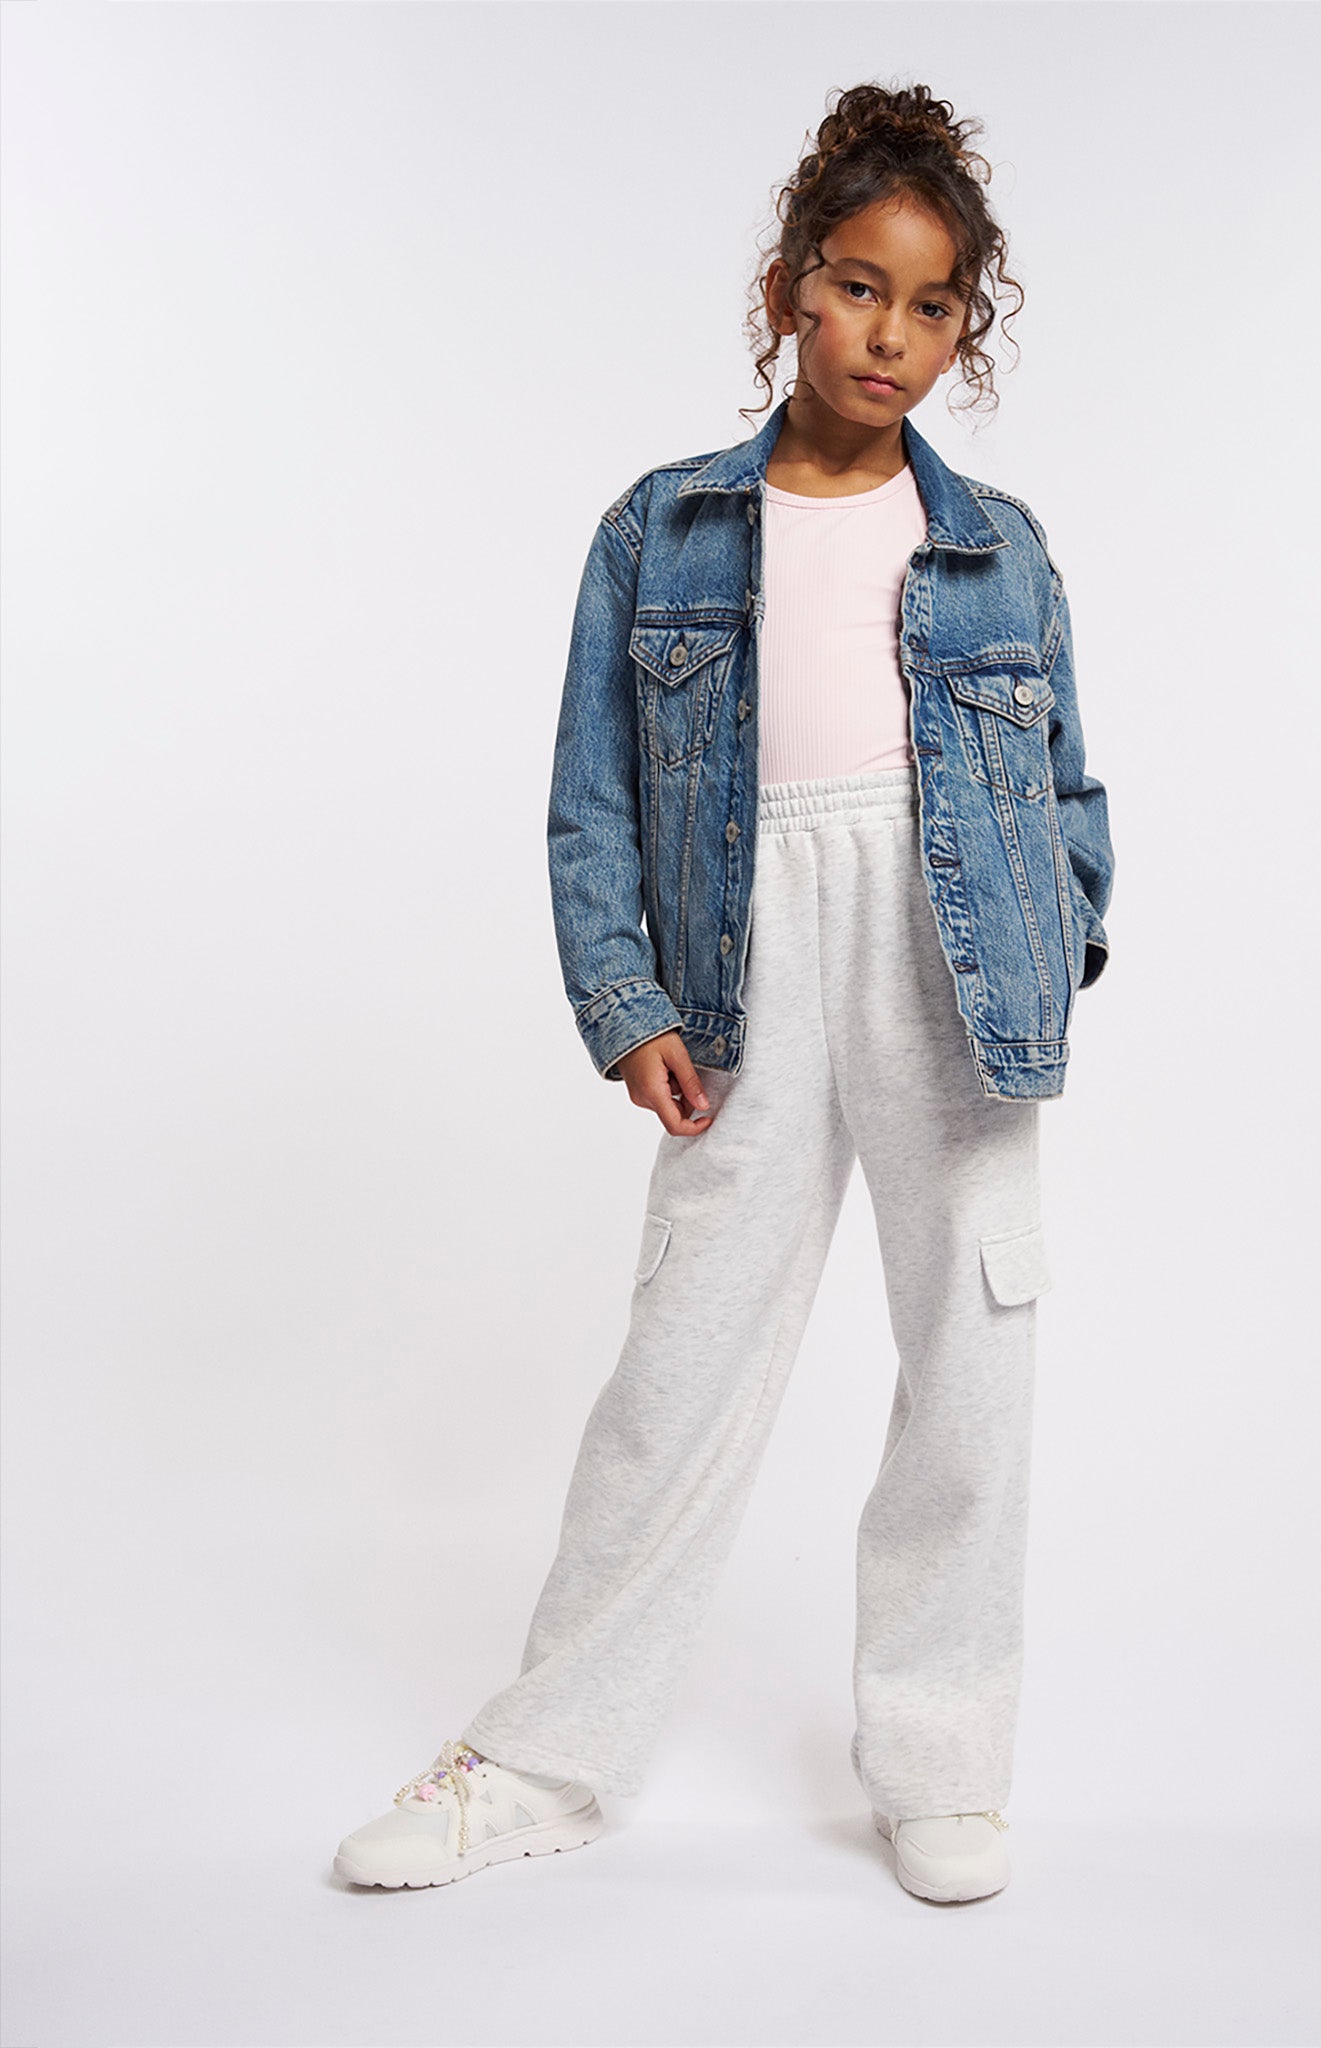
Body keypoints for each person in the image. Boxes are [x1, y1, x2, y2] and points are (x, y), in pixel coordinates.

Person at [334, 79, 1114, 1907]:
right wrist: (628, 1002)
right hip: (743, 953)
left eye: (932, 306)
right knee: (678, 1367)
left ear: (964, 330)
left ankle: (941, 1762)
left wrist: (1053, 946)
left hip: (952, 961)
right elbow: (592, 790)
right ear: (789, 289)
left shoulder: (998, 543)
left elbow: (1066, 785)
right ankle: (544, 1757)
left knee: (971, 1367)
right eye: (857, 288)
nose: (890, 335)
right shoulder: (666, 527)